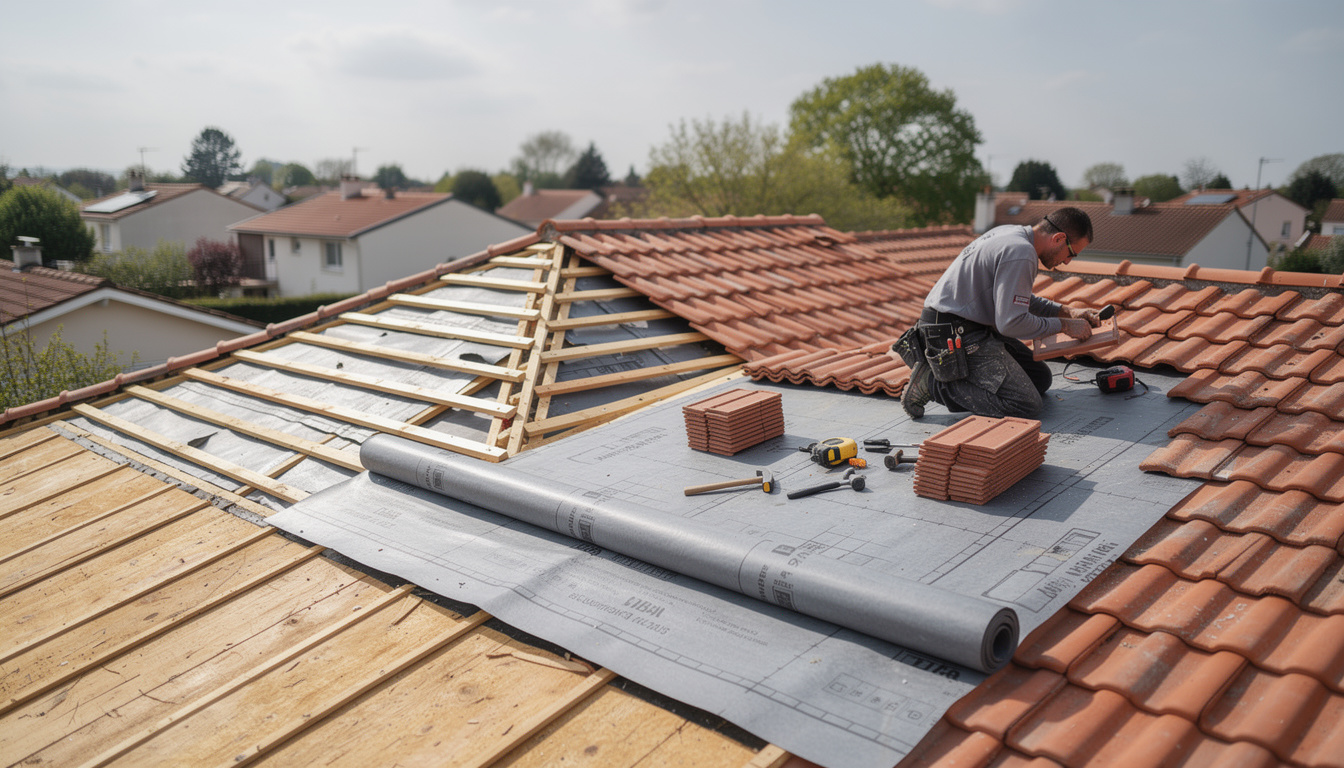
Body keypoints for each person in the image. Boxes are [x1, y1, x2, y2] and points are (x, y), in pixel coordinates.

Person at [899, 207, 1103, 420]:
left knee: (1039, 378)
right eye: (1071, 253)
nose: (1068, 261)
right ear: (1059, 238)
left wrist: (1067, 311)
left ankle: (946, 380)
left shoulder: (1011, 234)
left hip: (961, 324)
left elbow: (1015, 298)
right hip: (952, 333)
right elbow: (1011, 324)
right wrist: (1065, 326)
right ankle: (931, 384)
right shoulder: (1021, 252)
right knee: (1025, 405)